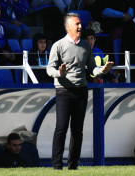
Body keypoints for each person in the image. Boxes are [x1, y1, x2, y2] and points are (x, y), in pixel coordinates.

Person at [46, 13, 114, 170]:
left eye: (80, 24)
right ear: (67, 26)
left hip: (81, 90)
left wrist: (102, 70)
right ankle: (57, 165)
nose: (80, 26)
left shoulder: (85, 45)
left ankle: (73, 165)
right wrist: (59, 73)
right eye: (76, 24)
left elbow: (92, 69)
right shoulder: (59, 45)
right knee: (61, 128)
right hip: (63, 90)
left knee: (77, 130)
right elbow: (50, 68)